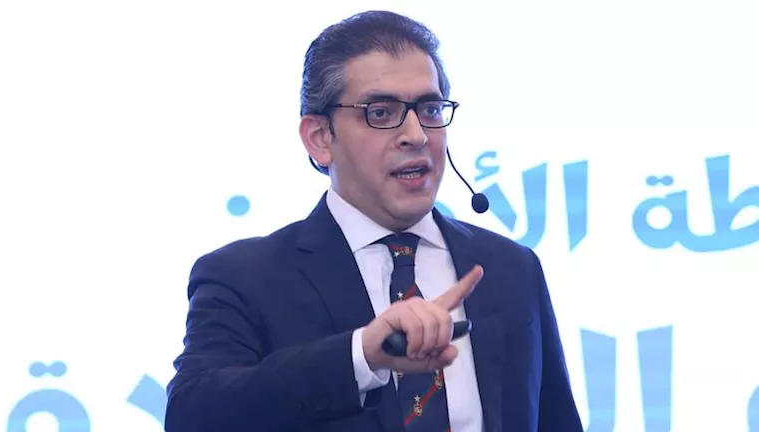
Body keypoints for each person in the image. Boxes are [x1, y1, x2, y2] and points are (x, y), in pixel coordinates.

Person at [164, 10, 584, 432]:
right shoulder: (245, 277)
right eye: (381, 113)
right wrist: (361, 356)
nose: (416, 135)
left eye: (430, 109)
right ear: (320, 138)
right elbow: (192, 415)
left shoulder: (510, 267)